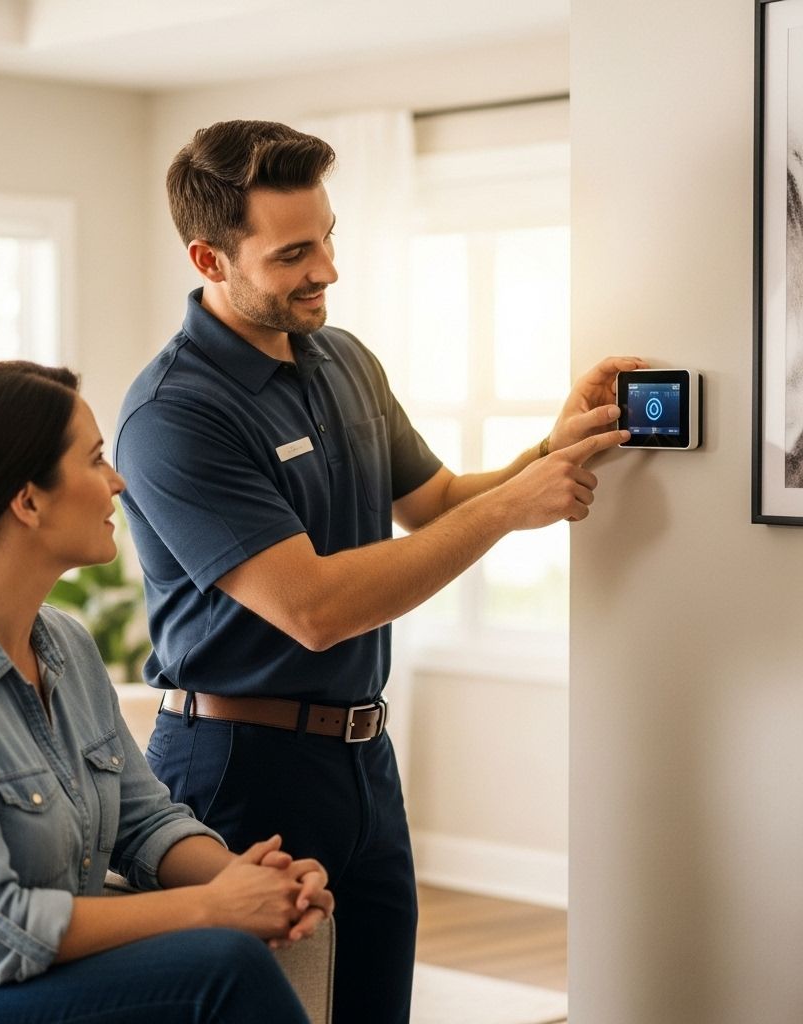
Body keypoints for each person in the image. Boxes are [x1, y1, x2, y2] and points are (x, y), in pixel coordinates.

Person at [113, 119, 643, 1024]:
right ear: (209, 258)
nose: (326, 269)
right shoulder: (173, 416)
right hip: (238, 770)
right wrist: (512, 509)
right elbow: (312, 609)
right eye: (293, 254)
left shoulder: (345, 358)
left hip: (363, 763)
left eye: (327, 238)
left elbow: (436, 501)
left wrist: (552, 444)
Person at [0, 360, 332, 1024]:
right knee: (222, 966)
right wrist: (210, 909)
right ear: (28, 500)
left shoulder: (65, 646)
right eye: (96, 460)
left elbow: (145, 822)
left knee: (224, 953)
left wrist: (244, 881)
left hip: (5, 986)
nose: (117, 482)